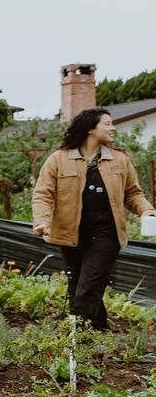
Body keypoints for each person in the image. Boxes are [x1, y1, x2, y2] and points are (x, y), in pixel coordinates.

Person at [32, 107, 156, 329]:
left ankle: (78, 337)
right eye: (107, 123)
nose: (113, 128)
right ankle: (99, 336)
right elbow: (43, 194)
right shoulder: (58, 160)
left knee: (87, 286)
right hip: (70, 234)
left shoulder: (119, 160)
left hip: (107, 233)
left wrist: (146, 210)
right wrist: (41, 221)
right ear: (90, 128)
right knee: (80, 283)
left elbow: (133, 193)